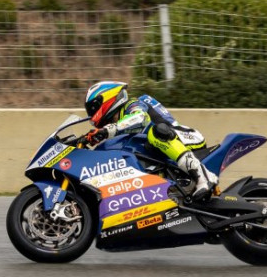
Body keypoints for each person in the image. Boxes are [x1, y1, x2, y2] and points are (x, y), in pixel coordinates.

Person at [82, 81, 218, 200]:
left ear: (107, 99)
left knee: (156, 132)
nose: (91, 114)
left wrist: (106, 131)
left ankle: (203, 177)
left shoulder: (133, 104)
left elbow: (141, 118)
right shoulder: (117, 126)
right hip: (163, 150)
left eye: (93, 108)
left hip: (184, 137)